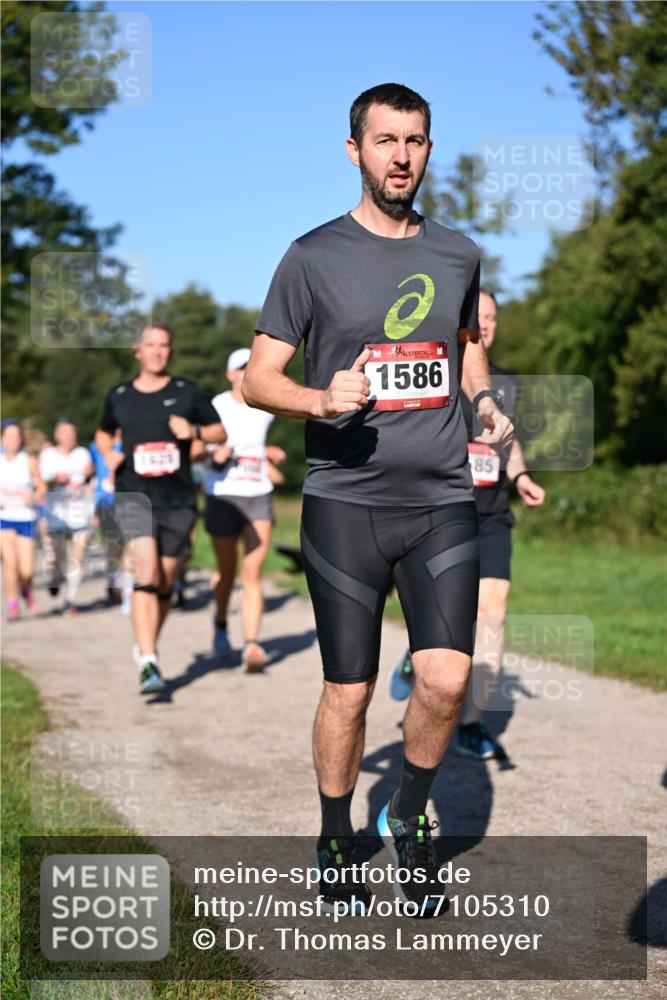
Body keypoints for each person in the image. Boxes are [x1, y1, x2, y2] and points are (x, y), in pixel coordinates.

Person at [242, 83, 513, 914]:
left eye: (416, 141)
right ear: (353, 149)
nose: (401, 155)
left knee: (443, 679)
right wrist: (321, 400)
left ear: (429, 150)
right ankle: (334, 831)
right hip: (344, 501)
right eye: (386, 140)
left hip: (438, 497)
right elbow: (258, 381)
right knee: (350, 690)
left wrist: (485, 400)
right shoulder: (310, 257)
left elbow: (462, 349)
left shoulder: (458, 255)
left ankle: (407, 813)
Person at [389, 290, 546, 760]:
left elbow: (508, 443)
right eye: (480, 317)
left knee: (491, 613)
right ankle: (419, 657)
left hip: (493, 513)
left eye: (494, 317)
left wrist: (520, 476)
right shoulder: (436, 376)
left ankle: (472, 725)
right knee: (445, 615)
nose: (488, 324)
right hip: (441, 513)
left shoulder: (509, 384)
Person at [95, 323, 225, 695]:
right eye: (150, 345)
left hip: (178, 498)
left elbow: (219, 432)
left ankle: (147, 641)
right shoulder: (119, 395)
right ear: (137, 351)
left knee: (166, 580)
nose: (158, 352)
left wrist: (194, 432)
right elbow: (104, 431)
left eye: (164, 345)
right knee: (146, 571)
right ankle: (149, 660)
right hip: (133, 494)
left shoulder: (187, 392)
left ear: (170, 350)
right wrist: (108, 454)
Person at [204, 347, 287, 672]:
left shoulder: (265, 406)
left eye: (249, 367)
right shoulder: (215, 406)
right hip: (223, 494)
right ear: (229, 374)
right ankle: (222, 623)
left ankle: (252, 644)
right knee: (226, 574)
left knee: (252, 574)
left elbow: (257, 442)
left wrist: (271, 452)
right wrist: (215, 454)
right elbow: (200, 446)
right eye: (239, 368)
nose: (244, 373)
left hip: (257, 494)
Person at [39, 419, 94, 615]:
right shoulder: (47, 456)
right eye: (66, 434)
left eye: (73, 433)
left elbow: (89, 482)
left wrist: (89, 476)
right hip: (57, 516)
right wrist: (54, 480)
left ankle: (69, 600)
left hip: (80, 514)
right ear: (57, 436)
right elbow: (42, 485)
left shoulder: (83, 454)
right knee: (58, 560)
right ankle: (55, 577)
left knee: (78, 558)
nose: (71, 437)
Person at [0, 420, 44, 620]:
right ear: (2, 439)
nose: (12, 441)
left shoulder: (29, 460)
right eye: (8, 437)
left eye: (16, 437)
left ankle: (25, 590)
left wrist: (33, 496)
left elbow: (42, 487)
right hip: (5, 518)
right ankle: (13, 605)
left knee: (26, 570)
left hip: (26, 517)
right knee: (10, 565)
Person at [89, 431, 124, 605]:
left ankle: (125, 582)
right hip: (105, 501)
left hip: (128, 500)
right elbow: (92, 471)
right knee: (114, 541)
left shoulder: (132, 439)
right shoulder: (97, 445)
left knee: (130, 543)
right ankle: (113, 580)